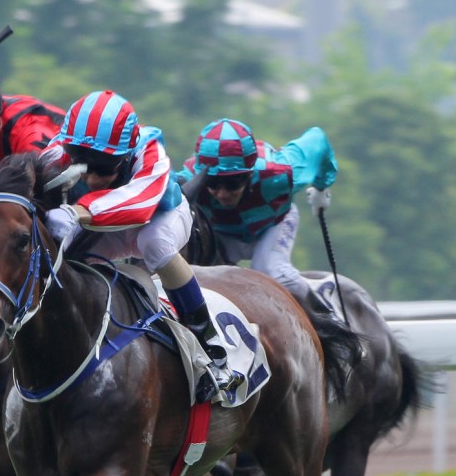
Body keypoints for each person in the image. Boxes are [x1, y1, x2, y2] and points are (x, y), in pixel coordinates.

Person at [40, 90, 240, 400]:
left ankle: (212, 351)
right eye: (82, 162)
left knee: (154, 243)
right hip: (103, 225)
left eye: (104, 165)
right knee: (68, 258)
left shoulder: (150, 151)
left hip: (159, 217)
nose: (92, 177)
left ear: (125, 154)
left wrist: (76, 211)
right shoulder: (58, 151)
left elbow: (140, 204)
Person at [175, 118, 338, 315]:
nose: (222, 194)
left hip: (274, 223)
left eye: (233, 183)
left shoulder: (283, 172)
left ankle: (326, 315)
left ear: (250, 174)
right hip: (222, 234)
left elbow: (317, 139)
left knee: (271, 272)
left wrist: (322, 186)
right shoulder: (188, 179)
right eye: (213, 183)